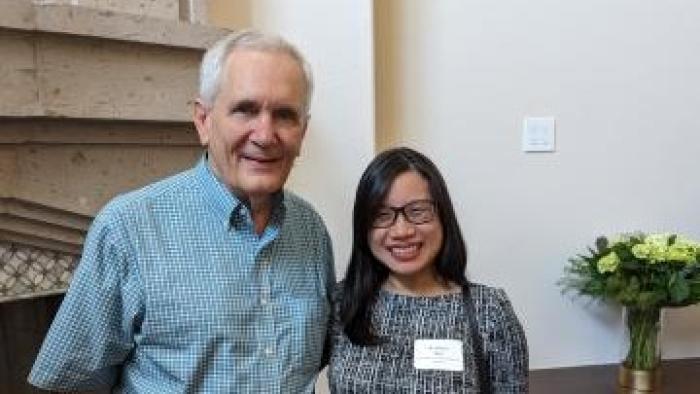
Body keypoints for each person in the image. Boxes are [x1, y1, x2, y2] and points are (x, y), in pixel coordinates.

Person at [29, 30, 335, 393]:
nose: (265, 135)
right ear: (203, 120)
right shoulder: (127, 229)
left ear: (303, 131)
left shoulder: (311, 230)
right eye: (245, 110)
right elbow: (70, 384)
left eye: (285, 115)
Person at [328, 147, 528, 393]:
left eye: (418, 211)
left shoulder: (489, 311)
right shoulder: (342, 302)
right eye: (382, 215)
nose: (401, 231)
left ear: (442, 215)